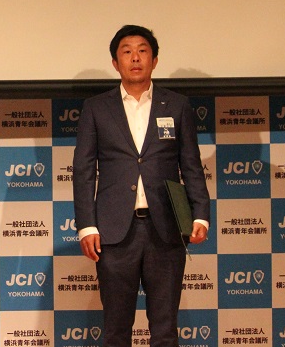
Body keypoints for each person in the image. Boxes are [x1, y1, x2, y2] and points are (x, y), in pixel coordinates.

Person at [72, 25, 210, 347]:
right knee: (116, 331)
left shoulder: (176, 105)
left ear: (154, 60)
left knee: (165, 331)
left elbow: (191, 164)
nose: (135, 58)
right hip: (114, 233)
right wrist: (87, 225)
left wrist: (201, 214)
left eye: (143, 51)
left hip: (167, 230)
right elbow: (83, 170)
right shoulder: (96, 108)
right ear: (115, 62)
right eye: (127, 51)